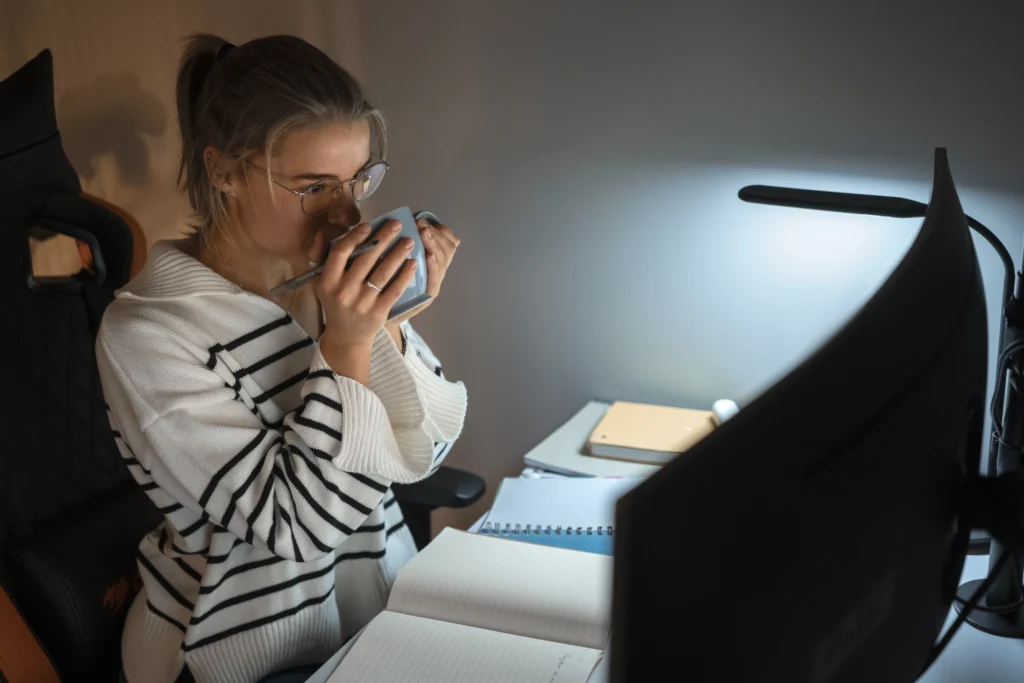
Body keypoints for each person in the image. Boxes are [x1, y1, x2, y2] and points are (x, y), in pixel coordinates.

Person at [96, 33, 467, 683]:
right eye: (315, 186)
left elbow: (426, 451)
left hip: (376, 612)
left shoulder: (324, 282)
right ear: (224, 172)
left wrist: (393, 327)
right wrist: (348, 343)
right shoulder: (146, 335)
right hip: (247, 647)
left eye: (357, 179)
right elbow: (300, 528)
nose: (348, 212)